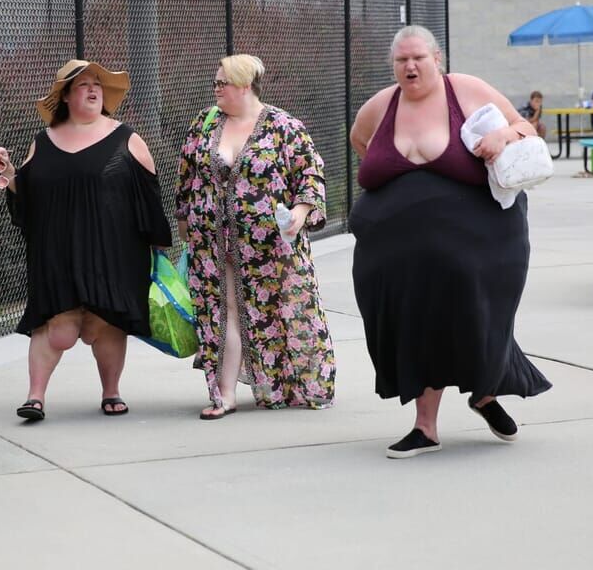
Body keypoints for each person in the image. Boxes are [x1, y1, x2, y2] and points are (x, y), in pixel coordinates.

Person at [348, 26, 551, 459]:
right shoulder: (380, 105)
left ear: (437, 59)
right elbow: (359, 141)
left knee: (476, 318)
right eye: (401, 60)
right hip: (396, 256)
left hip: (481, 245)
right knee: (415, 326)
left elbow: (525, 127)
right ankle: (425, 428)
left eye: (418, 58)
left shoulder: (465, 90)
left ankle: (485, 393)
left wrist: (503, 136)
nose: (410, 66)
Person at [0, 59, 171, 422]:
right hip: (57, 251)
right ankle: (35, 396)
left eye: (97, 85)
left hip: (113, 251)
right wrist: (8, 172)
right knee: (56, 326)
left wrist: (157, 244)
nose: (93, 90)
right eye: (83, 85)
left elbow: (149, 195)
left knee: (106, 322)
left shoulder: (127, 137)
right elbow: (28, 197)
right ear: (66, 97)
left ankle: (111, 391)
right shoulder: (43, 141)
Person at [176, 54, 335, 419]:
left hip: (271, 244)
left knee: (284, 310)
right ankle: (225, 393)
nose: (216, 89)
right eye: (215, 83)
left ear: (245, 86)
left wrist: (300, 212)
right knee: (224, 310)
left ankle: (295, 384)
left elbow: (310, 175)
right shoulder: (205, 123)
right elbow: (187, 175)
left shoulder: (284, 126)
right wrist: (184, 222)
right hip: (212, 241)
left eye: (223, 83)